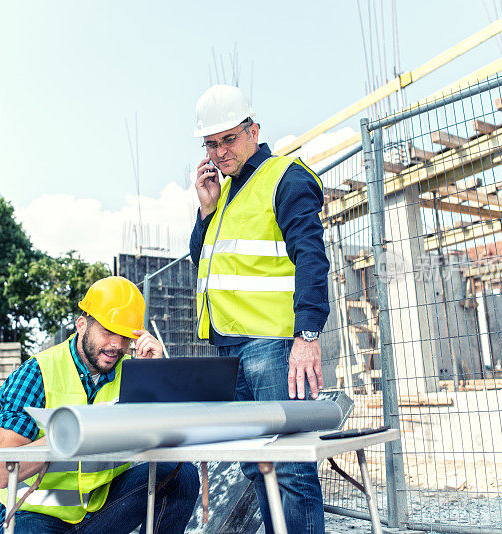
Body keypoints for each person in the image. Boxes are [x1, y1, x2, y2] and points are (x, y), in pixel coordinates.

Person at [189, 84, 330, 534]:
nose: (220, 152)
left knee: (290, 469)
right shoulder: (226, 193)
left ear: (253, 130)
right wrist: (206, 211)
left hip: (272, 347)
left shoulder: (284, 176)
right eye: (211, 144)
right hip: (229, 352)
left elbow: (311, 257)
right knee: (258, 466)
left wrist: (307, 336)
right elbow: (205, 264)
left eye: (228, 139)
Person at [0, 276, 200, 534]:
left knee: (182, 476)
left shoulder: (133, 373)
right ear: (81, 325)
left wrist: (155, 375)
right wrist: (69, 433)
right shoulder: (36, 374)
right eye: (108, 331)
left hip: (104, 513)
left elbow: (170, 440)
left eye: (125, 336)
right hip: (37, 516)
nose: (117, 345)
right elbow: (1, 472)